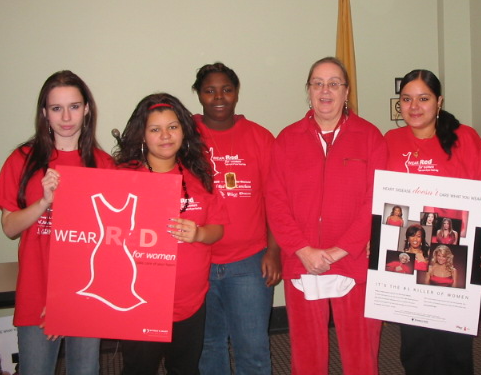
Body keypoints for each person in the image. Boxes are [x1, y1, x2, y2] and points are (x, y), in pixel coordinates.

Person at [265, 57, 387, 375]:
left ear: (347, 92)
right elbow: (275, 203)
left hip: (354, 261)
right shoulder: (287, 140)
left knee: (361, 356)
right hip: (303, 262)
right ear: (308, 91)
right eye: (317, 83)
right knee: (306, 357)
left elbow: (376, 202)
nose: (325, 91)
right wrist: (303, 250)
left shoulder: (370, 137)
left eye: (334, 83)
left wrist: (339, 250)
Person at [0, 70, 113, 375]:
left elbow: (110, 237)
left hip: (86, 295)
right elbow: (9, 228)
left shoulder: (103, 164)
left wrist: (67, 298)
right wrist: (44, 201)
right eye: (57, 108)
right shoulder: (21, 159)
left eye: (74, 106)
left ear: (87, 109)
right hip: (36, 293)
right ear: (44, 113)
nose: (66, 117)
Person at [384, 69, 481, 375]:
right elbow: (379, 200)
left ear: (439, 101)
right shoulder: (390, 141)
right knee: (415, 345)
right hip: (410, 253)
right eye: (406, 99)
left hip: (456, 254)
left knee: (454, 346)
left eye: (423, 98)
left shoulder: (465, 139)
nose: (414, 106)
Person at [113, 93, 228, 375]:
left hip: (190, 302)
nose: (165, 135)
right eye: (155, 129)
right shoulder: (122, 177)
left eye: (173, 127)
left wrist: (199, 233)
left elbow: (218, 229)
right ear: (142, 135)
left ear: (184, 131)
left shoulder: (199, 174)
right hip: (140, 300)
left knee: (185, 369)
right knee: (139, 369)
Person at [191, 62, 281, 375]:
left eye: (226, 89)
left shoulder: (260, 138)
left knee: (252, 349)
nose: (219, 97)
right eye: (210, 90)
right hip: (197, 261)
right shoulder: (183, 135)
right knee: (207, 346)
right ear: (199, 94)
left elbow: (276, 201)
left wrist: (274, 250)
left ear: (236, 93)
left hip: (249, 262)